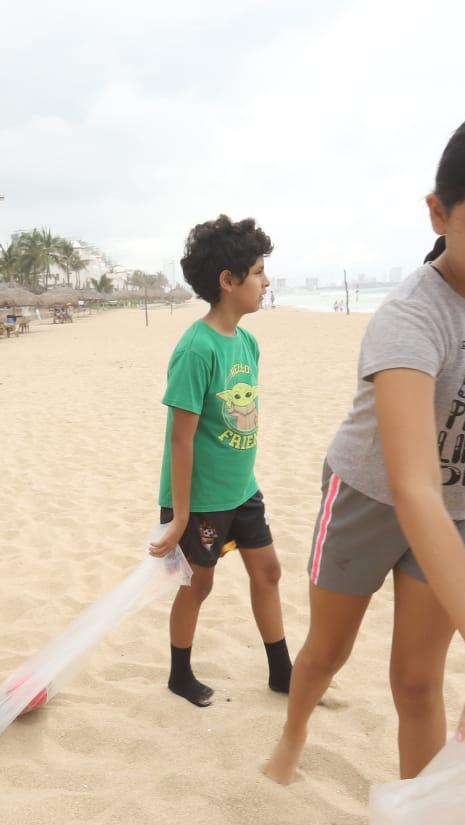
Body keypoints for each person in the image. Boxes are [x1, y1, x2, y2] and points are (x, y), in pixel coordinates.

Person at [262, 91, 465, 785]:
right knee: (327, 651)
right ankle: (293, 732)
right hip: (371, 497)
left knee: (417, 681)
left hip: (462, 505)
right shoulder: (410, 319)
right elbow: (411, 485)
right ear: (439, 212)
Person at [148, 216, 289, 707]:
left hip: (241, 489)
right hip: (200, 499)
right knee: (198, 584)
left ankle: (282, 671)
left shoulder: (247, 342)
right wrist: (181, 516)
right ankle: (179, 674)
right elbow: (180, 440)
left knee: (268, 571)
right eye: (257, 272)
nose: (266, 282)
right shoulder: (196, 348)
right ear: (228, 281)